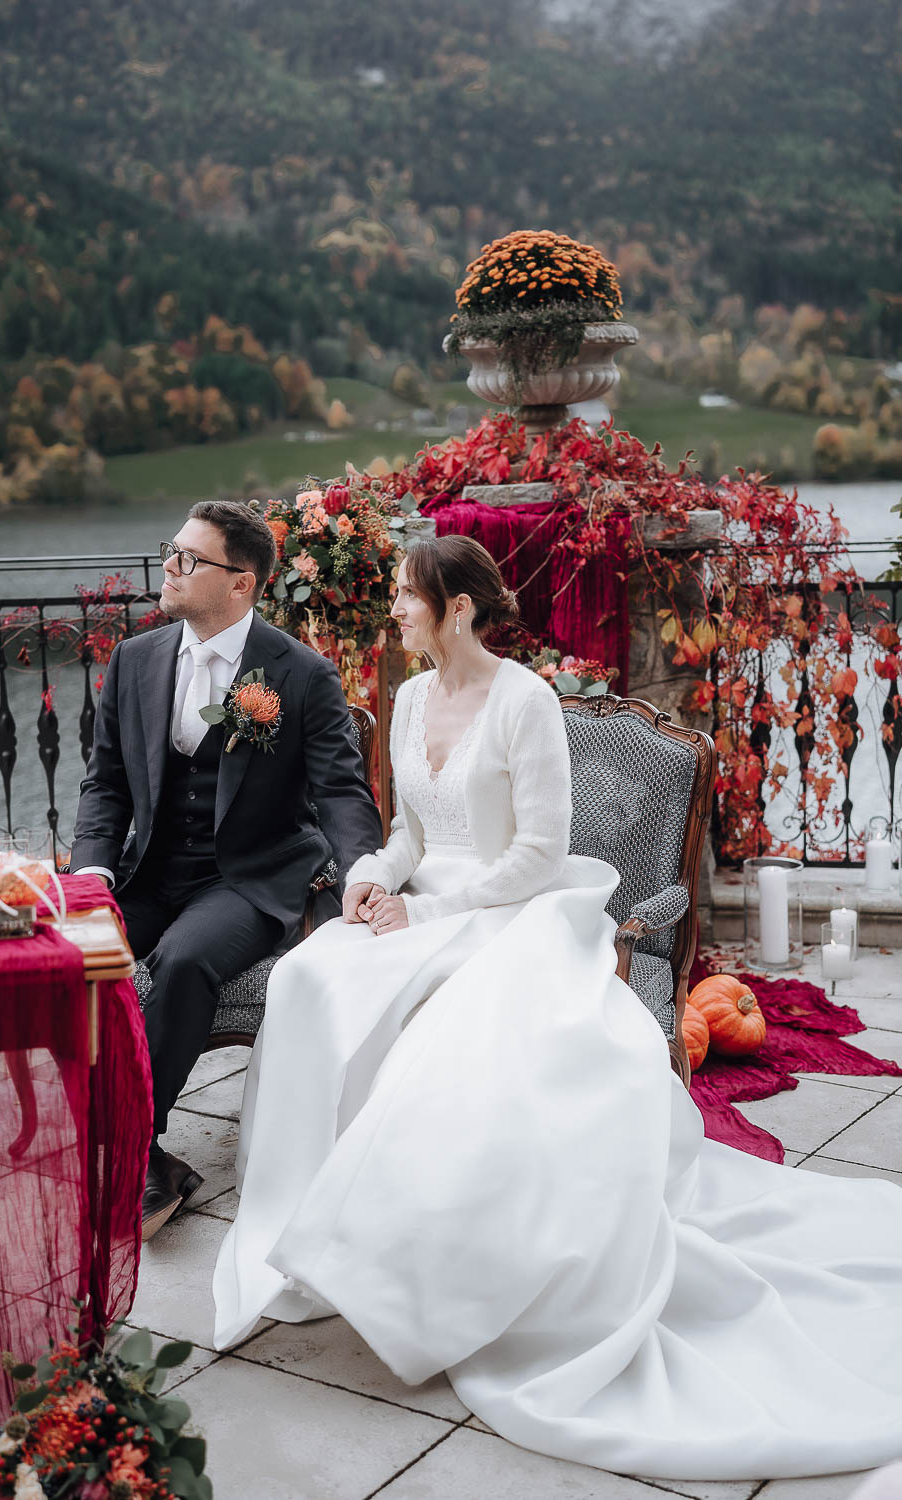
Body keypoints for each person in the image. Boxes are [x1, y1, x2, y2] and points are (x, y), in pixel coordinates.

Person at [212, 531, 902, 1482]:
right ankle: (302, 1219)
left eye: (408, 596)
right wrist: (373, 878)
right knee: (306, 980)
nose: (395, 611)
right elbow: (409, 832)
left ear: (457, 608)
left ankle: (425, 1258)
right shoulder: (408, 699)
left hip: (508, 911)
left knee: (448, 1032)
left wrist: (431, 912)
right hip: (419, 903)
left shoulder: (525, 701)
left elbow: (538, 854)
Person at [70, 499, 382, 1239]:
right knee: (67, 949)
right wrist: (92, 875)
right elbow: (105, 784)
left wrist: (366, 871)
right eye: (171, 549)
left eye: (189, 558)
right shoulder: (136, 660)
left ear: (241, 582)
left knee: (182, 959)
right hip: (151, 873)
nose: (170, 567)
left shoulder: (302, 674)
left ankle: (132, 1146)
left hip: (248, 879)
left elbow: (342, 790)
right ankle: (122, 1148)